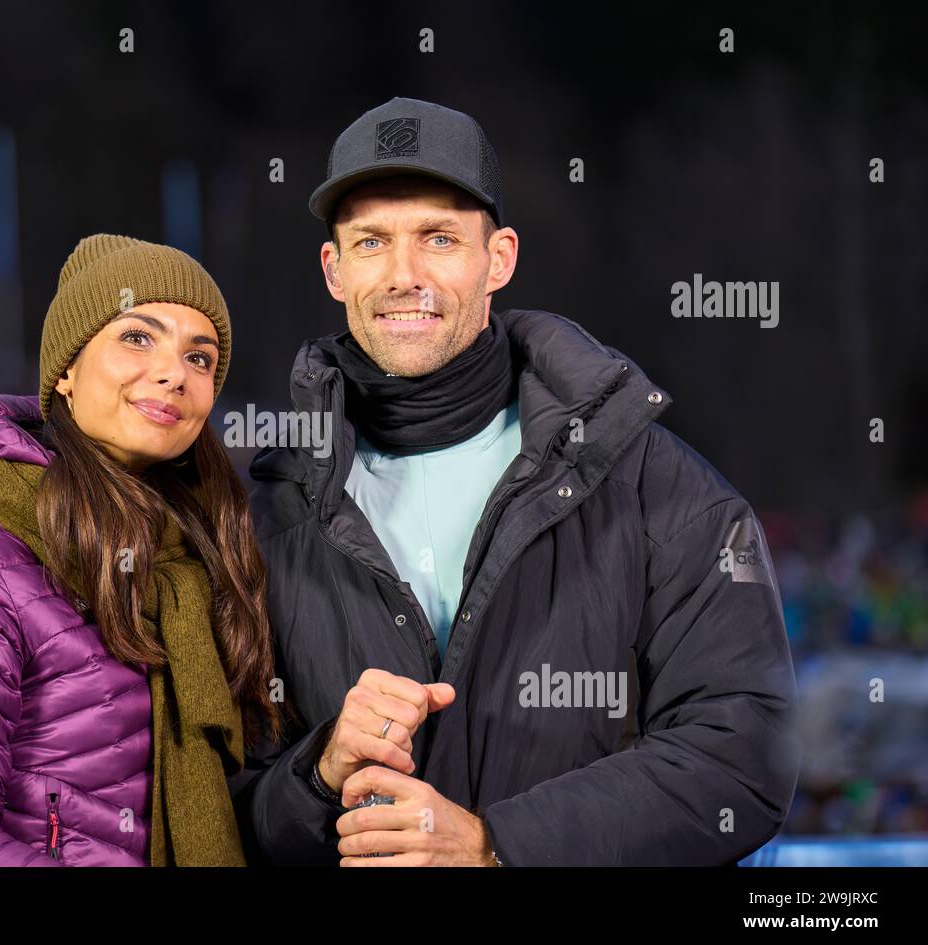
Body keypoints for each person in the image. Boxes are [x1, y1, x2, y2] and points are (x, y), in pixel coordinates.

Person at [232, 97, 801, 865]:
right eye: (372, 241)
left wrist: (496, 846)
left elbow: (743, 756)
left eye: (438, 238)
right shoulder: (264, 511)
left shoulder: (653, 483)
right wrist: (316, 774)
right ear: (335, 269)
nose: (404, 275)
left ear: (497, 258)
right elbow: (219, 806)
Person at [0, 234, 281, 865]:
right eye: (137, 337)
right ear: (65, 369)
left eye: (200, 359)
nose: (174, 373)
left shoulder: (201, 568)